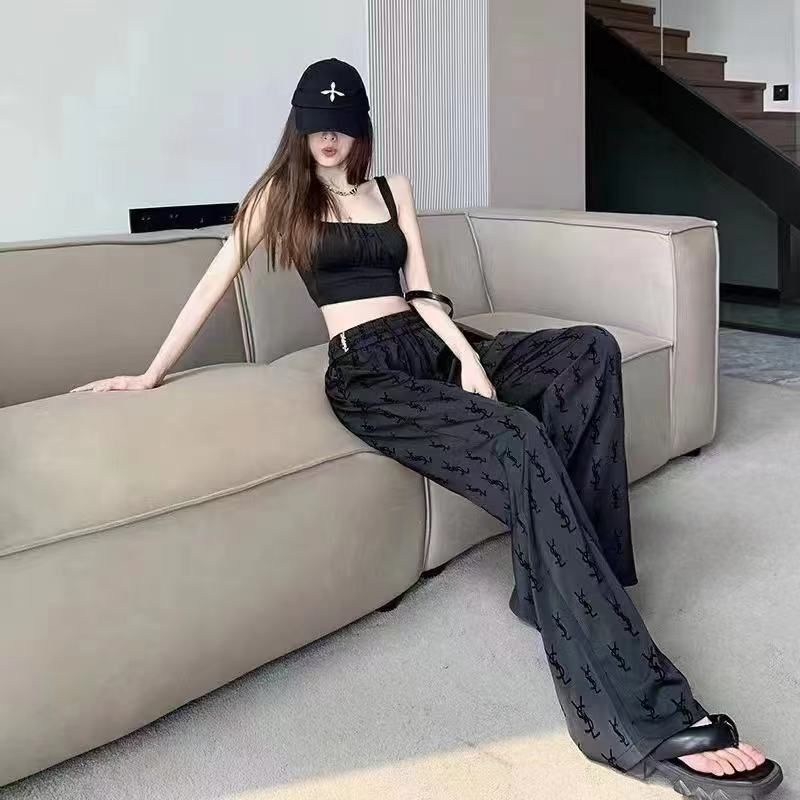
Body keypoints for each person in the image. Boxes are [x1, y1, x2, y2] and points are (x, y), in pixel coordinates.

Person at [71, 57, 782, 797]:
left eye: (342, 126)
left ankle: (564, 584)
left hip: (434, 344)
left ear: (361, 128)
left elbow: (419, 292)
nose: (329, 140)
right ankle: (646, 715)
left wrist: (469, 359)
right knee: (517, 435)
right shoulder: (278, 198)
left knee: (589, 351)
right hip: (367, 373)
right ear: (299, 128)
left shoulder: (392, 190)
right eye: (317, 126)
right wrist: (149, 373)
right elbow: (213, 285)